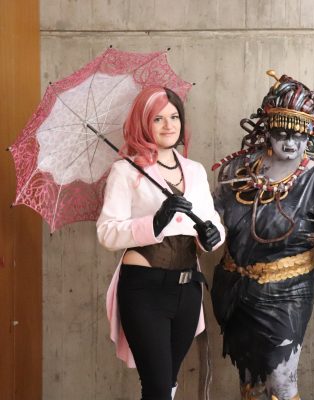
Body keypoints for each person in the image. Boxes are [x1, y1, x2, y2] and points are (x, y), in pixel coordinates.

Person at [211, 71, 314, 400]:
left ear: (311, 135)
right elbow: (213, 215)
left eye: (299, 135)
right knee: (249, 377)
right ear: (267, 130)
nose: (290, 143)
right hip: (234, 286)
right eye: (282, 133)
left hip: (288, 290)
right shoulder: (237, 170)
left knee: (281, 378)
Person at [97, 86, 225, 400]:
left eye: (174, 116)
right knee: (156, 387)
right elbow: (107, 232)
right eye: (158, 118)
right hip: (144, 288)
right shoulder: (125, 171)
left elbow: (212, 222)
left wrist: (212, 236)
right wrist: (155, 222)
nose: (169, 125)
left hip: (188, 288)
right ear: (144, 123)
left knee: (167, 384)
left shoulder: (195, 171)